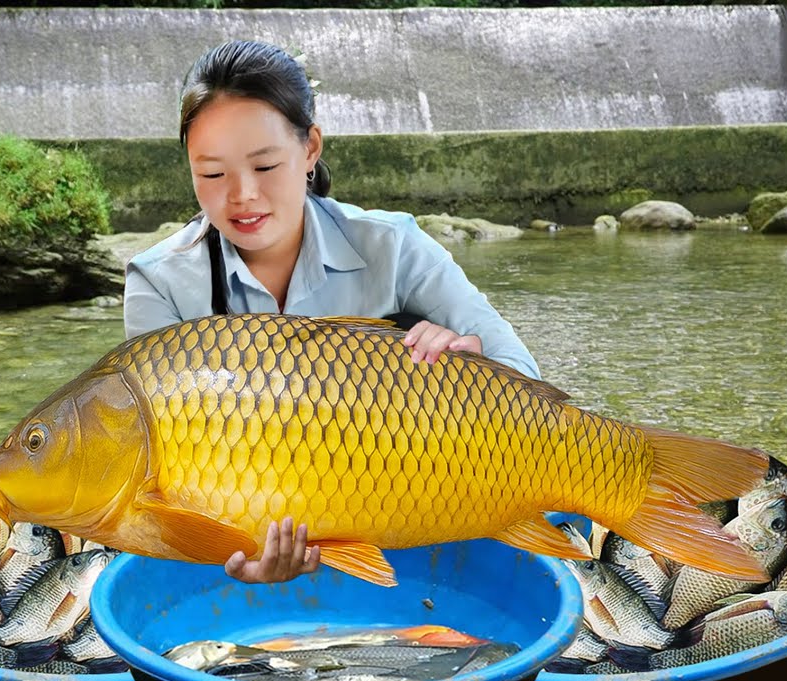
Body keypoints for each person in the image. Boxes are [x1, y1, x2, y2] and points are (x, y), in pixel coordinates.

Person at [123, 40, 541, 585]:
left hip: (416, 523)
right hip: (244, 560)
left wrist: (475, 364)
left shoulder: (395, 245)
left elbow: (524, 372)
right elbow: (153, 477)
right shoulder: (157, 280)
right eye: (211, 174)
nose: (243, 196)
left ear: (311, 149)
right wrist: (227, 555)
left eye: (266, 165)